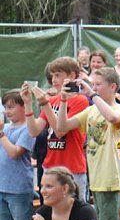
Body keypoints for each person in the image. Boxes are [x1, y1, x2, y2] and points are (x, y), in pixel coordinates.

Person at [56, 67, 120, 220]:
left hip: (109, 177)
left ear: (112, 87)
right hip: (95, 178)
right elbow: (61, 127)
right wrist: (63, 100)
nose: (92, 88)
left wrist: (92, 94)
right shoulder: (91, 110)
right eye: (92, 84)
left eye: (97, 85)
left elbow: (112, 118)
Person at [23, 57, 90, 201]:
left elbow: (60, 131)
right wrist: (28, 104)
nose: (53, 79)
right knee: (51, 212)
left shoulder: (80, 100)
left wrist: (45, 104)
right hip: (50, 166)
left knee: (74, 212)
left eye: (58, 75)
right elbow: (34, 131)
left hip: (72, 168)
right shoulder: (52, 100)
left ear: (71, 76)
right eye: (52, 75)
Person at [0, 89, 36, 220]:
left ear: (24, 106)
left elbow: (15, 153)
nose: (7, 111)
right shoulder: (5, 128)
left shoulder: (27, 129)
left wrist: (1, 134)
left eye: (12, 106)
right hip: (1, 186)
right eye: (5, 107)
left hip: (19, 188)